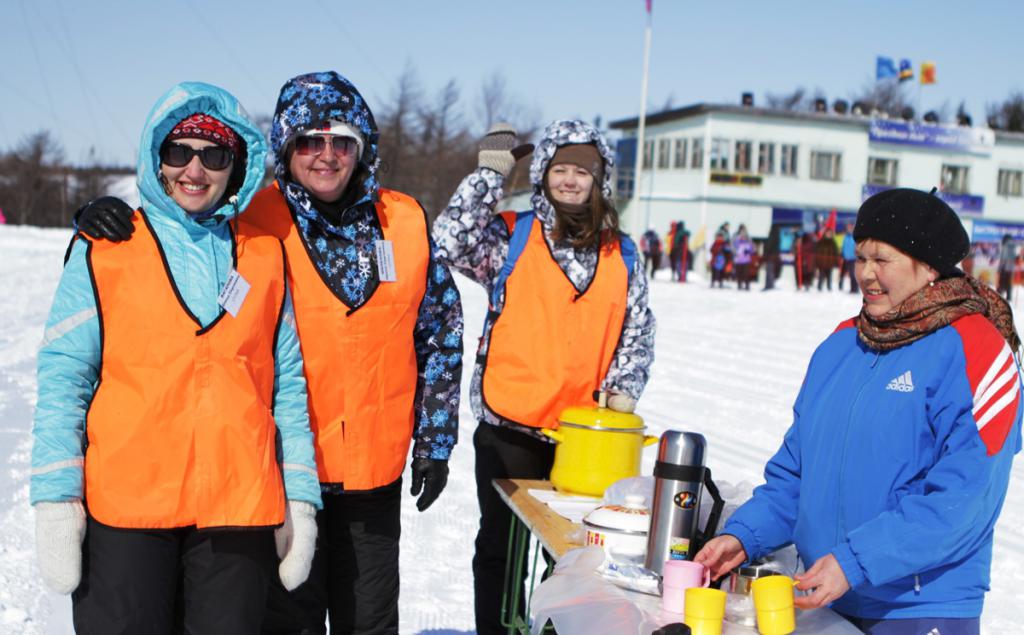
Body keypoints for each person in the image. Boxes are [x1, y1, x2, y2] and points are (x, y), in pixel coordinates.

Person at [74, 71, 464, 635]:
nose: (325, 155)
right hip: (280, 474)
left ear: (363, 148)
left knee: (371, 622)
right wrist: (93, 216)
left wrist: (434, 439)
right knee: (286, 623)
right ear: (284, 145)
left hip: (371, 476)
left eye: (341, 141)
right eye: (308, 140)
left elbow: (441, 331)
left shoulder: (403, 223)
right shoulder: (250, 218)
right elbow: (173, 230)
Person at [31, 82, 322, 633]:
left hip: (237, 513)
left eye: (214, 155)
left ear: (235, 167)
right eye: (178, 151)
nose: (195, 168)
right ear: (157, 158)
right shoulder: (107, 248)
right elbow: (64, 379)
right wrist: (56, 497)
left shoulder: (264, 256)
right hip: (128, 509)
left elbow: (286, 387)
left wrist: (300, 498)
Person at [695, 188, 1021, 635]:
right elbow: (797, 476)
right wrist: (742, 536)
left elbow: (964, 500)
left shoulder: (977, 349)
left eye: (882, 260)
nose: (865, 274)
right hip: (828, 595)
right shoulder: (840, 345)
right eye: (860, 257)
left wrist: (855, 561)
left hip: (919, 607)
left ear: (928, 266)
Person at [433, 119, 656, 635]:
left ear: (601, 180)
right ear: (542, 175)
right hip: (510, 425)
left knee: (579, 558)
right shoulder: (510, 236)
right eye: (560, 169)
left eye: (584, 170)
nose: (571, 180)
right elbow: (446, 240)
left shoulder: (622, 252)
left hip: (585, 441)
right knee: (500, 547)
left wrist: (623, 389)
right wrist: (489, 175)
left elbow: (637, 327)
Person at [815, 227, 839, 291]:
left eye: (830, 233)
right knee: (821, 276)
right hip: (822, 263)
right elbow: (816, 252)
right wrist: (817, 262)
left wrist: (836, 262)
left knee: (829, 276)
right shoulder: (820, 242)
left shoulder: (833, 243)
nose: (829, 234)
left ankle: (829, 288)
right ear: (825, 233)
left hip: (830, 263)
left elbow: (836, 253)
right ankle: (819, 288)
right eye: (828, 233)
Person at [731, 224, 755, 291]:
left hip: (746, 260)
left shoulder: (748, 240)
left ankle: (747, 285)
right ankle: (739, 285)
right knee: (739, 273)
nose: (743, 235)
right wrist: (736, 253)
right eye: (741, 231)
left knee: (746, 273)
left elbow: (753, 248)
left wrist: (749, 251)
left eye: (744, 231)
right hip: (738, 260)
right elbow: (733, 247)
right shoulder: (736, 240)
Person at [839, 222, 858, 293]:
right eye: (848, 228)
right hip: (846, 258)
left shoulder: (855, 237)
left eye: (851, 228)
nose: (849, 229)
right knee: (846, 273)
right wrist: (842, 253)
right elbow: (843, 246)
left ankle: (854, 288)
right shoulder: (846, 237)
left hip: (853, 258)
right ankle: (847, 287)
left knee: (853, 274)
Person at [761, 225, 781, 291]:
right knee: (771, 271)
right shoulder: (778, 237)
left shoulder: (771, 236)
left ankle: (769, 285)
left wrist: (765, 254)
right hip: (775, 256)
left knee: (769, 271)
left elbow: (768, 246)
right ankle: (770, 285)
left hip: (770, 256)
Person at [997, 234, 1016, 302]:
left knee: (1002, 282)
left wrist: (1000, 267)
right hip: (1010, 268)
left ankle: (999, 295)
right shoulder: (1013, 245)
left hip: (1005, 267)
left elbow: (1004, 258)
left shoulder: (1006, 245)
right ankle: (1008, 296)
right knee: (1008, 282)